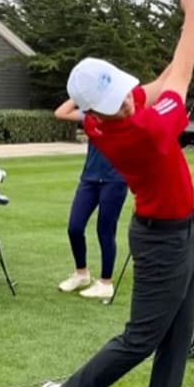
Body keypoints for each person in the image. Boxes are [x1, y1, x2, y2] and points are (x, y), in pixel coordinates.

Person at [23, 0, 194, 387]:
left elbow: (159, 83)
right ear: (96, 112)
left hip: (187, 229)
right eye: (114, 103)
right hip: (160, 241)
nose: (126, 103)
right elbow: (180, 80)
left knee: (176, 336)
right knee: (141, 340)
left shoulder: (104, 115)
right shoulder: (143, 131)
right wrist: (191, 17)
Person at [54, 100, 127, 301]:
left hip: (114, 180)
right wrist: (79, 95)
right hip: (89, 179)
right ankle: (81, 274)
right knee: (74, 228)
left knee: (105, 230)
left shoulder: (122, 117)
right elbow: (61, 113)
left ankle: (105, 283)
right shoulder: (90, 116)